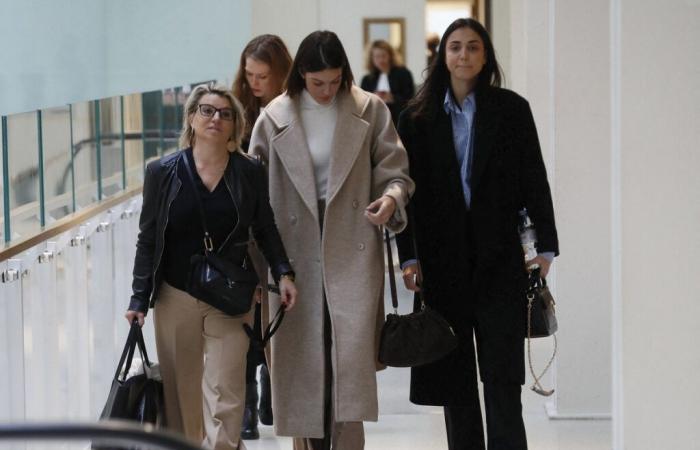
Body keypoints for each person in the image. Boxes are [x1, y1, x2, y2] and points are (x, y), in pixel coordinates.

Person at [396, 18, 559, 450]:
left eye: (472, 47)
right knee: (456, 385)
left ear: (485, 55)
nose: (463, 55)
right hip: (441, 263)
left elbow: (534, 178)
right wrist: (408, 256)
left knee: (503, 379)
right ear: (442, 55)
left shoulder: (511, 110)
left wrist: (546, 245)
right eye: (455, 47)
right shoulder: (416, 117)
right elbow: (403, 191)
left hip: (500, 259)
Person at [249, 30, 414, 450]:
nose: (326, 91)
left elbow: (396, 172)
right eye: (317, 82)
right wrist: (254, 268)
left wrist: (391, 200)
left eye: (335, 81)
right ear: (301, 74)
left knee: (347, 366)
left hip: (351, 243)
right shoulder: (273, 116)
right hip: (293, 248)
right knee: (304, 364)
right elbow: (252, 197)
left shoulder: (369, 110)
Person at [125, 82, 297, 450]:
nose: (215, 118)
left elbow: (264, 227)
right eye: (206, 110)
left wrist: (283, 272)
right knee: (181, 396)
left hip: (229, 295)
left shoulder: (249, 171)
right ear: (191, 118)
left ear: (236, 124)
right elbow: (149, 239)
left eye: (225, 113)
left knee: (226, 390)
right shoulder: (162, 172)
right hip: (175, 294)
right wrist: (139, 299)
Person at [231, 33, 293, 440]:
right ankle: (249, 403)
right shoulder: (235, 111)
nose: (255, 82)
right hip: (241, 230)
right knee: (245, 318)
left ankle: (273, 387)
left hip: (280, 227)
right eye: (250, 74)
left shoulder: (289, 111)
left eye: (263, 75)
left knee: (277, 315)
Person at [360, 39, 415, 126]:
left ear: (390, 56)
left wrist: (392, 98)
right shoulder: (367, 79)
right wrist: (374, 98)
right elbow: (362, 105)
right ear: (372, 58)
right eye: (377, 56)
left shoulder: (404, 74)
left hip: (398, 119)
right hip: (375, 121)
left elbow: (411, 100)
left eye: (383, 56)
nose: (381, 60)